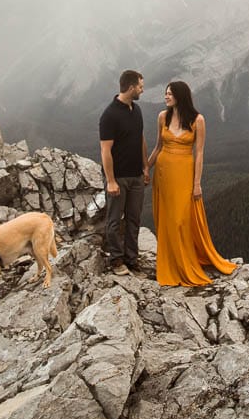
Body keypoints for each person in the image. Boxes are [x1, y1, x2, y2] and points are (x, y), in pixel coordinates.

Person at [146, 80, 236, 287]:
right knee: (167, 218)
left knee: (180, 219)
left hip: (184, 173)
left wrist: (197, 184)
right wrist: (146, 169)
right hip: (163, 172)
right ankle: (170, 263)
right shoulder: (162, 117)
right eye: (165, 93)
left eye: (169, 94)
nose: (165, 97)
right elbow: (158, 146)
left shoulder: (198, 120)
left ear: (180, 95)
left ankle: (184, 263)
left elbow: (200, 153)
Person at [98, 69, 148, 275]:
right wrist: (110, 180)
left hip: (136, 175)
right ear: (130, 87)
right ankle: (116, 260)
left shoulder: (136, 111)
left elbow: (141, 139)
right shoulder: (109, 115)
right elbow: (105, 150)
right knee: (114, 219)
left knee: (134, 219)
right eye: (140, 87)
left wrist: (145, 167)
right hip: (118, 177)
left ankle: (132, 258)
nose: (142, 91)